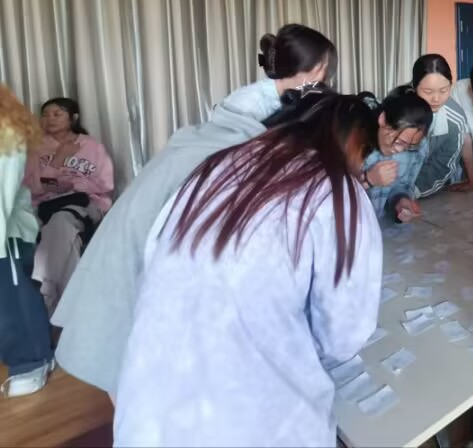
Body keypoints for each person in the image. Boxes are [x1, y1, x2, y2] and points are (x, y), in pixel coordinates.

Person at [52, 24, 337, 397]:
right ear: (316, 71)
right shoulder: (239, 138)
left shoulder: (235, 118)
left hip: (141, 245)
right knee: (138, 370)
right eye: (326, 74)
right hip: (143, 258)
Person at [114, 93, 382, 447]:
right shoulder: (335, 188)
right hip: (250, 421)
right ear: (353, 141)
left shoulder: (216, 166)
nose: (361, 167)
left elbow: (156, 260)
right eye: (364, 155)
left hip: (146, 412)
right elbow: (343, 335)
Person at [24, 97, 114, 314]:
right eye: (45, 115)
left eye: (57, 114)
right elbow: (35, 187)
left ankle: (48, 293)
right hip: (44, 207)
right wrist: (58, 160)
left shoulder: (91, 146)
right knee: (65, 240)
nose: (50, 119)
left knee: (61, 224)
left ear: (73, 118)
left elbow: (106, 184)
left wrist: (74, 183)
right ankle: (68, 310)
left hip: (83, 203)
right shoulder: (36, 148)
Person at [0, 86, 56, 398]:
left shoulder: (7, 131)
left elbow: (2, 192)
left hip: (6, 234)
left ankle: (33, 361)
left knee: (12, 301)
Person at [359, 87, 432, 223]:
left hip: (373, 227)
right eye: (398, 142)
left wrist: (401, 201)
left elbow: (401, 185)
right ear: (382, 119)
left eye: (409, 146)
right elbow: (328, 198)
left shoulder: (418, 146)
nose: (400, 149)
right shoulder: (354, 142)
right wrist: (368, 180)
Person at [410, 54, 473, 198]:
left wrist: (411, 192)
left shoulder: (455, 120)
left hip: (426, 181)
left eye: (443, 90)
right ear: (414, 87)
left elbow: (441, 166)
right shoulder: (398, 108)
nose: (436, 98)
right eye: (428, 92)